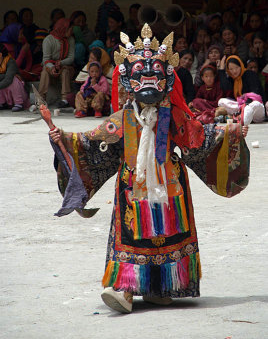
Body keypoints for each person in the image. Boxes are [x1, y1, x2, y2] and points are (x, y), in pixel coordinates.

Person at [48, 24, 249, 314]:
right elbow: (91, 143)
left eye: (155, 71)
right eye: (140, 72)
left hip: (169, 184)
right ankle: (124, 288)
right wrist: (64, 140)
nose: (148, 77)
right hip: (133, 185)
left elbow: (197, 137)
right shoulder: (123, 117)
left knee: (168, 235)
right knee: (130, 235)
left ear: (167, 77)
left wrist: (230, 133)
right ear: (128, 80)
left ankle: (160, 287)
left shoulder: (175, 115)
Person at [218, 54, 265, 125]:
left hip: (255, 110)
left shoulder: (250, 74)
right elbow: (224, 87)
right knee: (221, 101)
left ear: (241, 66)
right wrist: (221, 69)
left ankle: (241, 119)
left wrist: (246, 105)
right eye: (231, 69)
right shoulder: (233, 79)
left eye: (236, 67)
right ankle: (241, 116)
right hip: (241, 107)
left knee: (255, 104)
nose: (234, 71)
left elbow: (256, 93)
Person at [38, 18, 75, 107]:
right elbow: (45, 60)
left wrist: (61, 63)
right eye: (70, 29)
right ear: (63, 29)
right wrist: (52, 67)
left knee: (65, 71)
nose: (72, 31)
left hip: (64, 66)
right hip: (51, 67)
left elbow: (71, 58)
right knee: (44, 72)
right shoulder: (48, 40)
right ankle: (41, 99)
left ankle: (65, 99)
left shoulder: (70, 40)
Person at [0, 43, 30, 111]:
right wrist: (5, 75)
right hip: (4, 87)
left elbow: (8, 79)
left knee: (14, 80)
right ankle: (2, 103)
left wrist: (5, 76)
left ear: (0, 54)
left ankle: (19, 103)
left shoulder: (10, 62)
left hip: (17, 89)